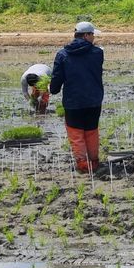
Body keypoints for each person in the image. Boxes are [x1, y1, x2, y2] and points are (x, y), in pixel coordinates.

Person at [50, 21, 104, 174]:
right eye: (92, 34)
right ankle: (93, 163)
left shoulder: (62, 55)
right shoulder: (98, 53)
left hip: (73, 102)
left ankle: (82, 165)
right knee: (91, 131)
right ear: (86, 35)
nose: (94, 37)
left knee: (76, 134)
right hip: (94, 100)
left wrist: (52, 89)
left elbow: (56, 81)